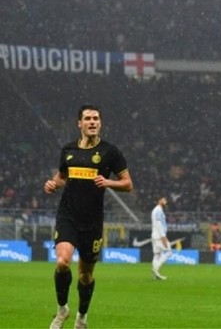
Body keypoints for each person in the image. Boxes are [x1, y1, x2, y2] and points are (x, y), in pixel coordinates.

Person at [44, 104, 133, 328]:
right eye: (88, 119)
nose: (92, 122)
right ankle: (62, 309)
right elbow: (62, 177)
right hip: (68, 216)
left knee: (85, 275)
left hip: (92, 221)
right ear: (79, 123)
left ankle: (82, 316)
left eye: (96, 119)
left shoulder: (110, 152)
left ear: (100, 123)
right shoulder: (68, 150)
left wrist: (109, 182)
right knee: (62, 262)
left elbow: (128, 184)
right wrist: (53, 184)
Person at [151, 196, 172, 280]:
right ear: (159, 200)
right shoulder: (158, 210)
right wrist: (163, 237)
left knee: (157, 254)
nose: (166, 202)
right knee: (168, 252)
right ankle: (156, 269)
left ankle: (155, 274)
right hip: (159, 236)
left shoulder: (156, 210)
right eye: (164, 200)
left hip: (155, 235)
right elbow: (159, 224)